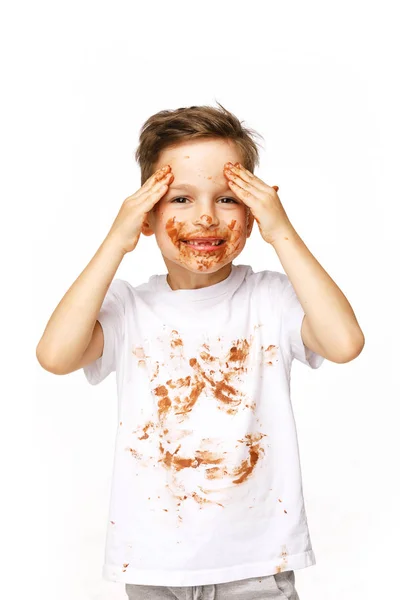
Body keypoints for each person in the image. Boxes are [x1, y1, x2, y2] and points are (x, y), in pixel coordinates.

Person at [36, 102, 365, 599]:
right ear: (147, 216)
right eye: (182, 199)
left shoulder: (269, 298)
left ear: (253, 215)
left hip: (256, 563)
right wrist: (114, 241)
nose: (207, 216)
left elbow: (344, 343)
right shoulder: (128, 308)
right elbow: (55, 355)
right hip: (153, 565)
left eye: (229, 199)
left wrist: (282, 232)